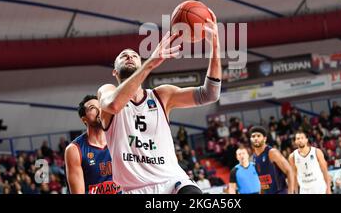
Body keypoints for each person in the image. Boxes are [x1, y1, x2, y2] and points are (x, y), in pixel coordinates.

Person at [98, 11, 221, 194]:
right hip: (135, 189)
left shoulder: (162, 95)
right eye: (123, 56)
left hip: (173, 182)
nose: (129, 56)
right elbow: (114, 105)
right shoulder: (106, 91)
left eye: (134, 55)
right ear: (115, 72)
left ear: (139, 64)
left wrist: (215, 45)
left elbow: (209, 95)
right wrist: (150, 63)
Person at [64, 95, 120, 194]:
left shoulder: (119, 139)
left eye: (100, 106)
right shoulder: (74, 149)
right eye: (92, 108)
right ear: (84, 119)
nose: (99, 110)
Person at [249, 126, 294, 194]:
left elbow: (289, 170)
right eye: (253, 136)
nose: (255, 138)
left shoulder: (272, 152)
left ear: (265, 139)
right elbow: (262, 180)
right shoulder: (254, 157)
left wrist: (291, 192)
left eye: (258, 136)